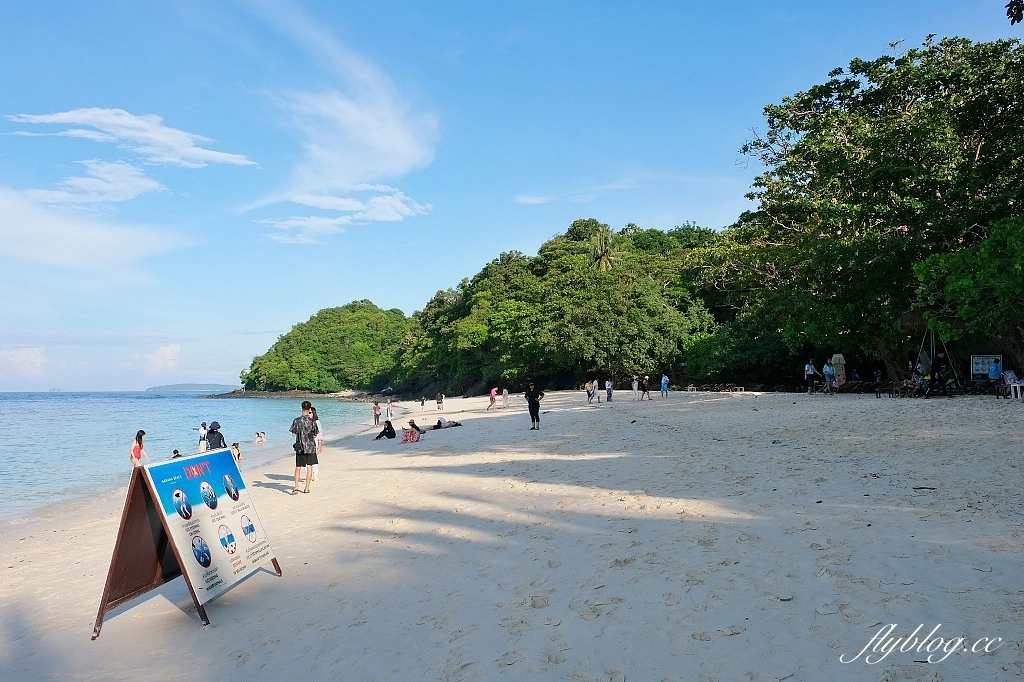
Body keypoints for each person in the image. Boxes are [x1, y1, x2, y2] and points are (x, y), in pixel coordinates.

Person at [289, 401, 318, 495]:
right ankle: (306, 488)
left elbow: (293, 434)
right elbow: (315, 435)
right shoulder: (313, 421)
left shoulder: (296, 420)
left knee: (298, 467)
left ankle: (296, 487)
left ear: (301, 409)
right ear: (310, 410)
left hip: (300, 447)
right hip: (310, 447)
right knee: (309, 467)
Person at [311, 406, 323, 481]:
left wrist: (320, 444)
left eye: (310, 412)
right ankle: (308, 474)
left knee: (314, 459)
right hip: (305, 444)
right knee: (306, 461)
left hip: (314, 443)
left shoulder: (317, 422)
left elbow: (320, 434)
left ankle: (315, 475)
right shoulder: (304, 421)